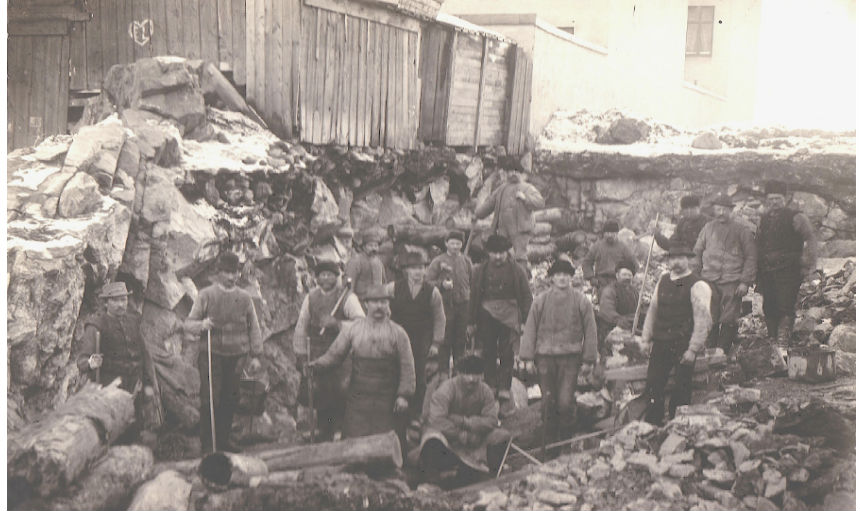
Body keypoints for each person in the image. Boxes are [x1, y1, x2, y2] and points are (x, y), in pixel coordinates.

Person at [309, 284, 415, 448]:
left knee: (388, 443)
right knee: (353, 443)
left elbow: (407, 366)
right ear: (366, 305)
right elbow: (334, 355)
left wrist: (404, 395)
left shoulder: (399, 333)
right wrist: (315, 365)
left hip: (387, 396)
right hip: (359, 397)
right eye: (375, 302)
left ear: (388, 305)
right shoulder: (353, 329)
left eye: (383, 302)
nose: (379, 306)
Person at [188, 251, 264, 453]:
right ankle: (208, 444)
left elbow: (254, 327)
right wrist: (201, 325)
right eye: (227, 272)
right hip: (212, 355)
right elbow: (189, 324)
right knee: (210, 398)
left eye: (235, 272)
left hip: (237, 355)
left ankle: (223, 441)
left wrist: (256, 355)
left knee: (230, 398)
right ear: (218, 273)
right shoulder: (206, 295)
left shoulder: (244, 297)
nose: (231, 277)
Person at [520, 259, 598, 443]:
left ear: (571, 277)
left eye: (566, 275)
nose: (562, 278)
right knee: (548, 402)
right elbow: (530, 328)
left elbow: (590, 330)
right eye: (558, 275)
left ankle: (565, 440)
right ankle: (549, 442)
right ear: (552, 278)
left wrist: (588, 359)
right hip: (545, 358)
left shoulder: (581, 300)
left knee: (564, 402)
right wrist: (527, 357)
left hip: (570, 359)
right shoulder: (541, 300)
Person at [293, 260, 365, 441]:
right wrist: (301, 355)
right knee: (320, 391)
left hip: (342, 353)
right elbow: (301, 326)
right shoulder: (311, 297)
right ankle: (323, 429)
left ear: (336, 277)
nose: (325, 278)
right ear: (316, 278)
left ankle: (341, 429)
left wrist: (338, 324)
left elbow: (361, 323)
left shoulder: (347, 297)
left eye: (330, 274)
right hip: (318, 351)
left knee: (341, 389)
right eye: (322, 275)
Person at [640, 244, 712, 425]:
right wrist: (646, 339)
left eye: (681, 257)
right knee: (653, 385)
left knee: (681, 389)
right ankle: (652, 426)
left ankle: (678, 425)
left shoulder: (698, 284)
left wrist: (693, 349)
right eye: (672, 258)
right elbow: (652, 312)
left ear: (688, 259)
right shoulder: (663, 280)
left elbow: (703, 320)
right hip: (661, 342)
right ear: (668, 261)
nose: (676, 261)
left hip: (683, 344)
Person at [411, 355, 511, 484]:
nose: (472, 379)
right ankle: (433, 477)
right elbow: (436, 420)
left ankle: (484, 471)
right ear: (458, 373)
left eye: (476, 374)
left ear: (481, 375)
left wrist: (465, 422)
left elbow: (492, 420)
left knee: (501, 435)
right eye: (467, 373)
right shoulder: (446, 389)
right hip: (447, 438)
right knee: (432, 438)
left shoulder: (485, 391)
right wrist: (459, 434)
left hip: (475, 439)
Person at [77, 281, 155, 441]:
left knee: (135, 431)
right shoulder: (96, 325)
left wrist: (148, 384)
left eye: (124, 300)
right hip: (111, 391)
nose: (121, 304)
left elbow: (144, 355)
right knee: (115, 435)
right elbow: (82, 361)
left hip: (134, 389)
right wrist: (92, 362)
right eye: (116, 300)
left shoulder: (133, 322)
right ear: (106, 303)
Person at [468, 234, 533, 401]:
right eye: (494, 253)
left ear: (507, 252)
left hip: (509, 314)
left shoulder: (517, 270)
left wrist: (526, 321)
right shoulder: (480, 270)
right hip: (486, 313)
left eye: (501, 253)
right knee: (488, 349)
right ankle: (489, 383)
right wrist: (471, 321)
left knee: (507, 351)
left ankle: (505, 386)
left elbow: (526, 296)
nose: (498, 257)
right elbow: (474, 296)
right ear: (488, 253)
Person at [756, 180, 818, 344]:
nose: (774, 202)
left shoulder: (796, 217)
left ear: (785, 199)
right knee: (769, 306)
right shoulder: (763, 219)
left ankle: (783, 341)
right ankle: (772, 339)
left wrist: (807, 264)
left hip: (789, 270)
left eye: (778, 198)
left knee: (785, 305)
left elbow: (810, 239)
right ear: (767, 200)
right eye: (771, 199)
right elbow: (759, 243)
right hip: (767, 271)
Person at [693, 195, 756, 357]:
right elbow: (697, 252)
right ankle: (709, 350)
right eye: (718, 209)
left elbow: (751, 257)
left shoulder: (742, 230)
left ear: (731, 210)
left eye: (725, 210)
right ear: (714, 210)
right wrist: (695, 276)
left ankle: (722, 351)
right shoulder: (708, 228)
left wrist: (744, 282)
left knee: (729, 317)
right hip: (708, 279)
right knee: (710, 315)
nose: (721, 213)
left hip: (732, 280)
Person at [387, 252, 446, 420]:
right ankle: (396, 413)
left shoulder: (432, 292)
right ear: (406, 270)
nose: (417, 272)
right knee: (396, 372)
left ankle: (416, 415)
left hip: (422, 340)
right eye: (413, 269)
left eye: (421, 268)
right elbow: (382, 307)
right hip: (398, 338)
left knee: (419, 376)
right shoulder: (393, 288)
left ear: (426, 270)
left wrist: (436, 343)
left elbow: (440, 318)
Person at [474, 170, 545, 269]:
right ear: (506, 173)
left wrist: (525, 198)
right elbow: (489, 204)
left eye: (516, 171)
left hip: (521, 228)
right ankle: (506, 277)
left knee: (520, 256)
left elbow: (540, 203)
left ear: (521, 173)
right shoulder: (501, 189)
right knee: (503, 253)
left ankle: (522, 278)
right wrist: (478, 214)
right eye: (510, 171)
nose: (513, 173)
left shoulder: (527, 188)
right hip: (503, 228)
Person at [426, 230, 473, 372]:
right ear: (446, 244)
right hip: (445, 306)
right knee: (445, 340)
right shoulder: (438, 261)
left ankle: (460, 372)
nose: (455, 246)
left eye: (458, 243)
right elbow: (427, 283)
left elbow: (472, 280)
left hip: (463, 305)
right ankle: (443, 373)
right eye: (452, 243)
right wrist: (442, 285)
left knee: (461, 340)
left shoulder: (466, 261)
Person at [582, 220, 638, 295]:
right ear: (604, 233)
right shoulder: (597, 246)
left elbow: (634, 264)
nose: (610, 235)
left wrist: (627, 278)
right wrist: (591, 277)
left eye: (613, 233)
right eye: (607, 233)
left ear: (617, 233)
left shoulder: (623, 247)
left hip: (618, 282)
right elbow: (586, 262)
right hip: (601, 282)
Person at [596, 261, 640, 354]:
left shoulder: (634, 291)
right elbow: (607, 312)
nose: (627, 278)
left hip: (630, 325)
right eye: (624, 274)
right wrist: (624, 321)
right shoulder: (610, 290)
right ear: (617, 275)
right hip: (612, 327)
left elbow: (639, 309)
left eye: (629, 275)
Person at [345, 229, 387, 301]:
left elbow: (384, 281)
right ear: (364, 247)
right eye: (370, 245)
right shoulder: (356, 260)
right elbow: (349, 279)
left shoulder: (379, 262)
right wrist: (349, 295)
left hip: (377, 299)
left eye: (376, 246)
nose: (373, 248)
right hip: (361, 299)